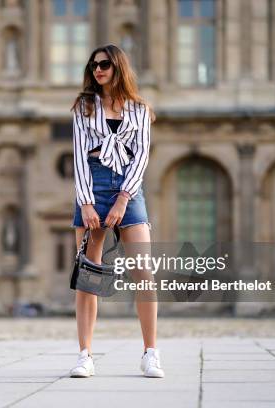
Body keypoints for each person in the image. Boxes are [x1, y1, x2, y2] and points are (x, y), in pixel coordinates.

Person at [68, 44, 164, 378]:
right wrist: (87, 203)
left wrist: (124, 198)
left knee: (144, 272)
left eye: (105, 64)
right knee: (88, 276)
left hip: (128, 188)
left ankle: (150, 353)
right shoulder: (84, 107)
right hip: (92, 186)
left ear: (118, 67)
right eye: (94, 65)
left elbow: (142, 158)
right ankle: (85, 355)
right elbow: (79, 157)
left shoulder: (140, 110)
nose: (98, 70)